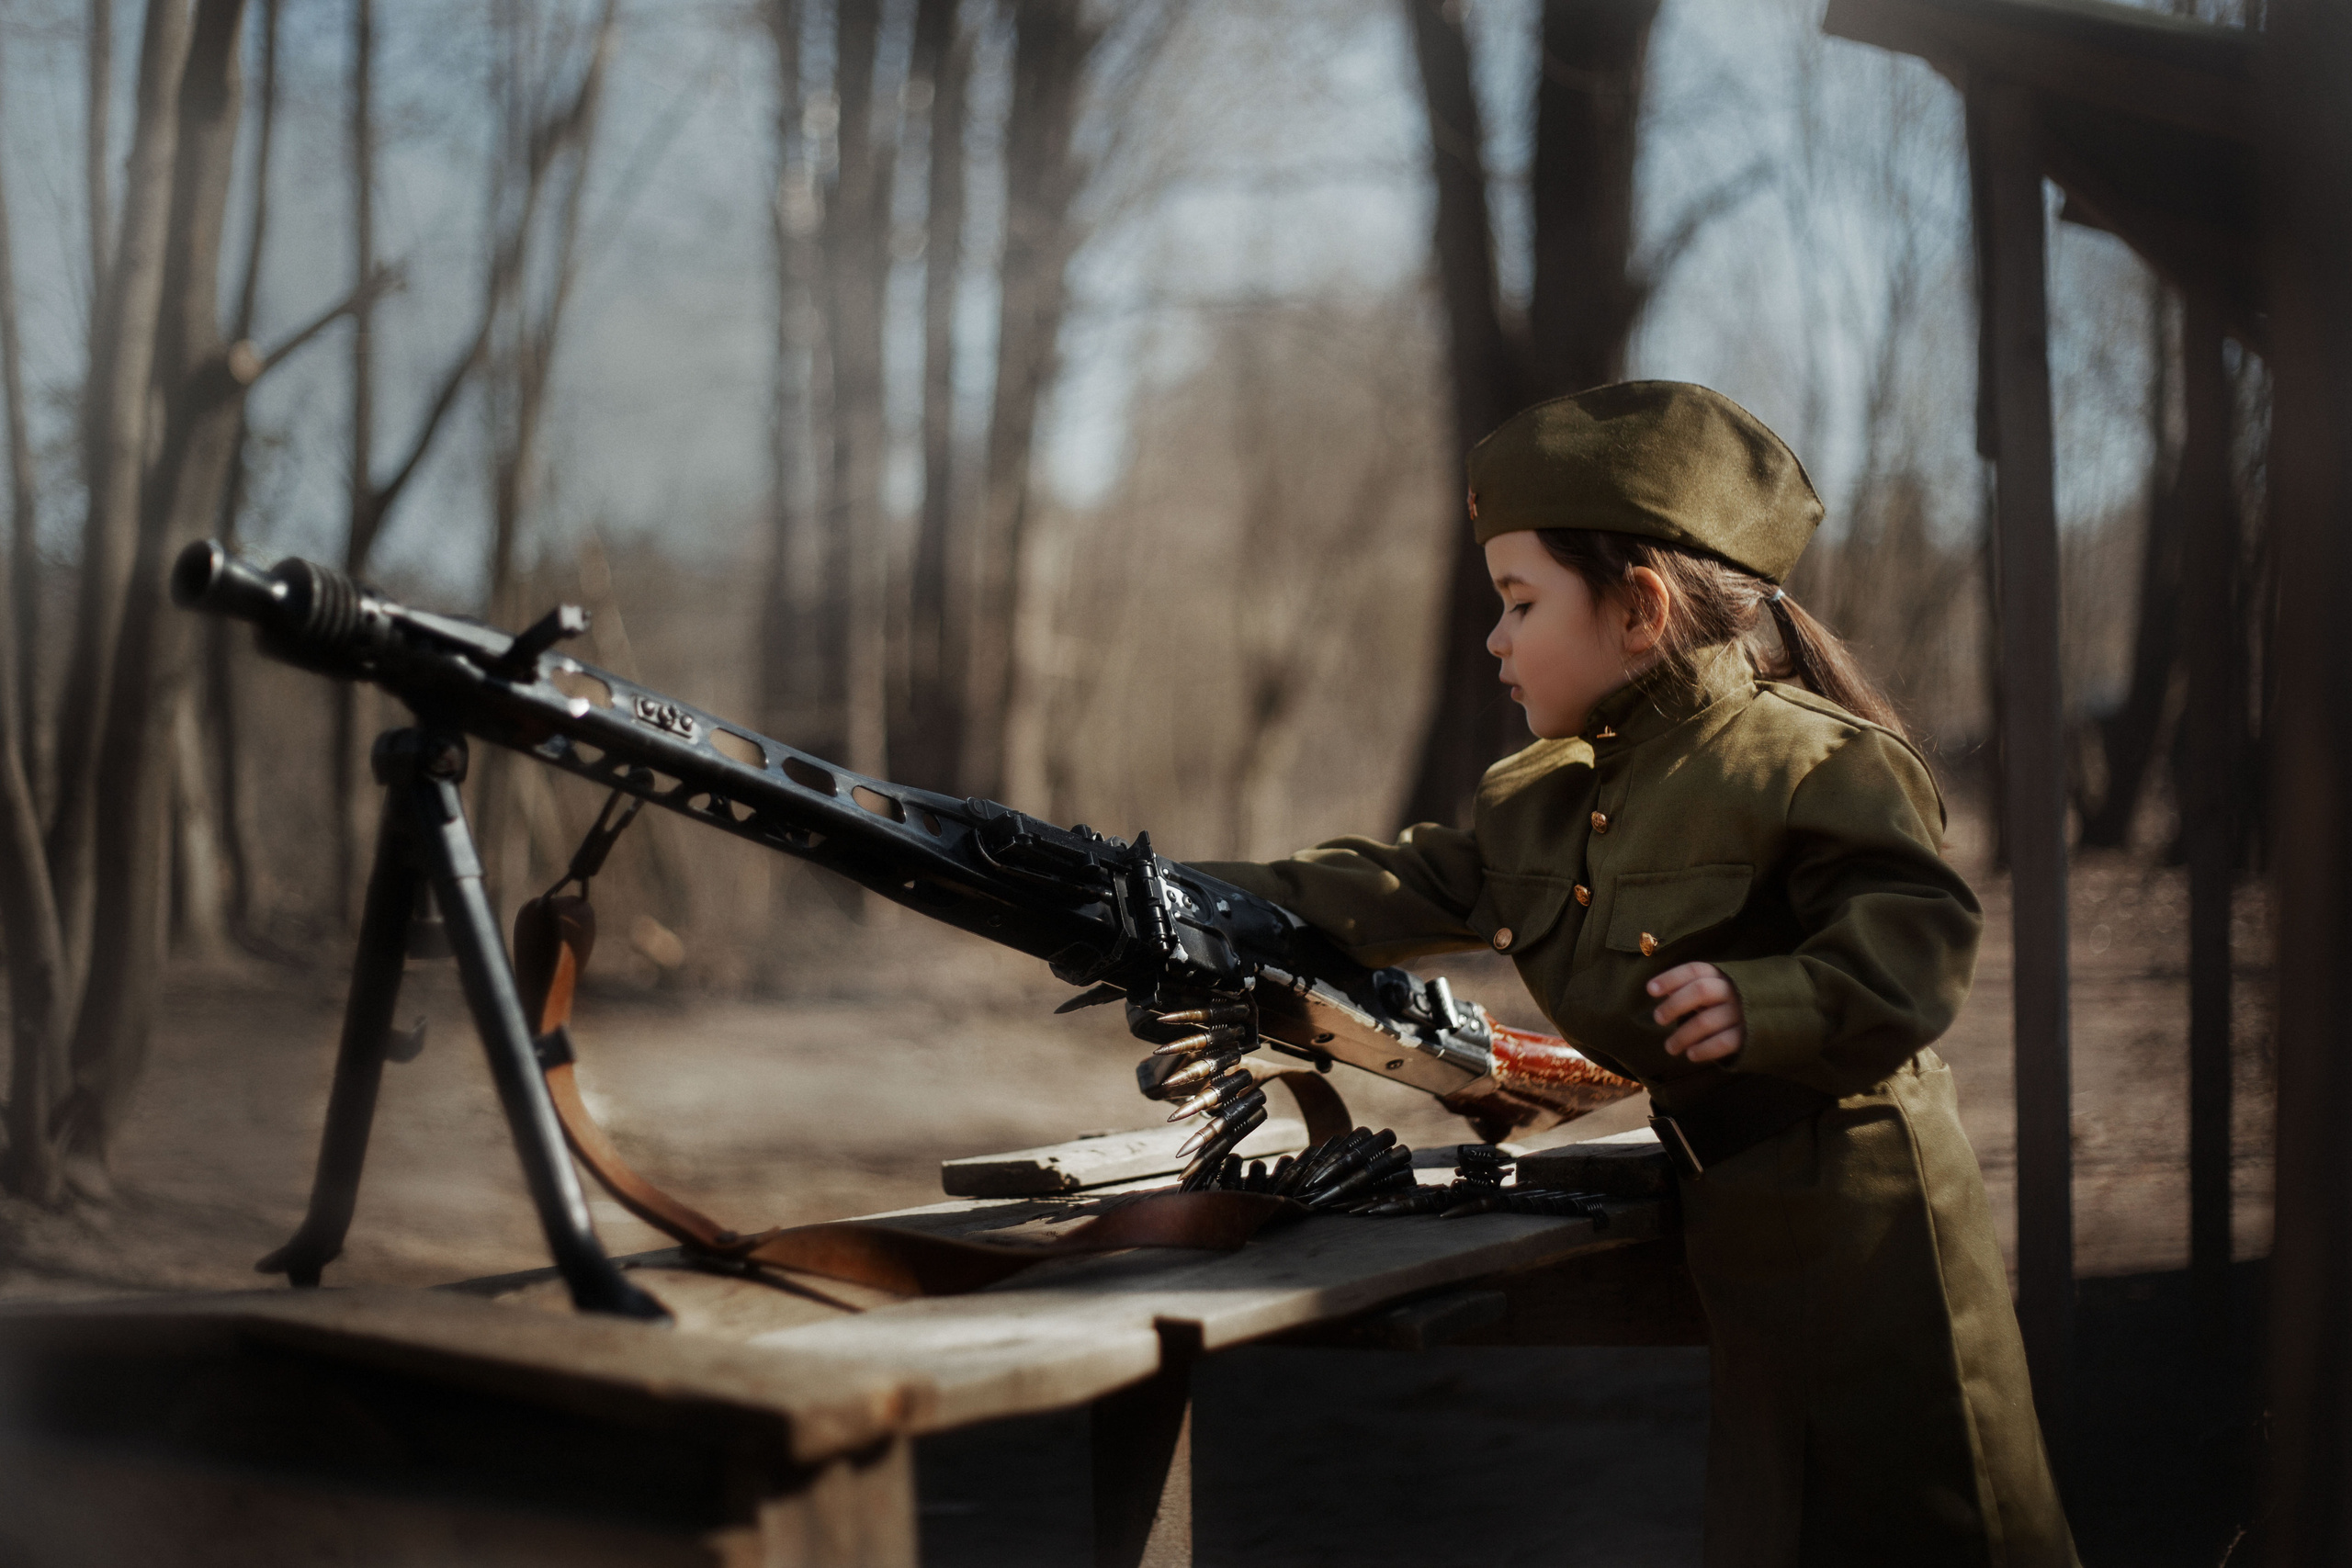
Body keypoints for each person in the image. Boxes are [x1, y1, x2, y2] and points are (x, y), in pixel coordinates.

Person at [1182, 381, 2078, 1567]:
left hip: (1870, 1218)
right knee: (1780, 1519)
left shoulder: (1812, 763)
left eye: (1518, 602)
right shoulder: (1544, 795)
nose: (1496, 640)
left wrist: (1763, 1001)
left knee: (1942, 1516)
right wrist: (1161, 894)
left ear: (1641, 609)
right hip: (1730, 1205)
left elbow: (1912, 943)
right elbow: (1392, 887)